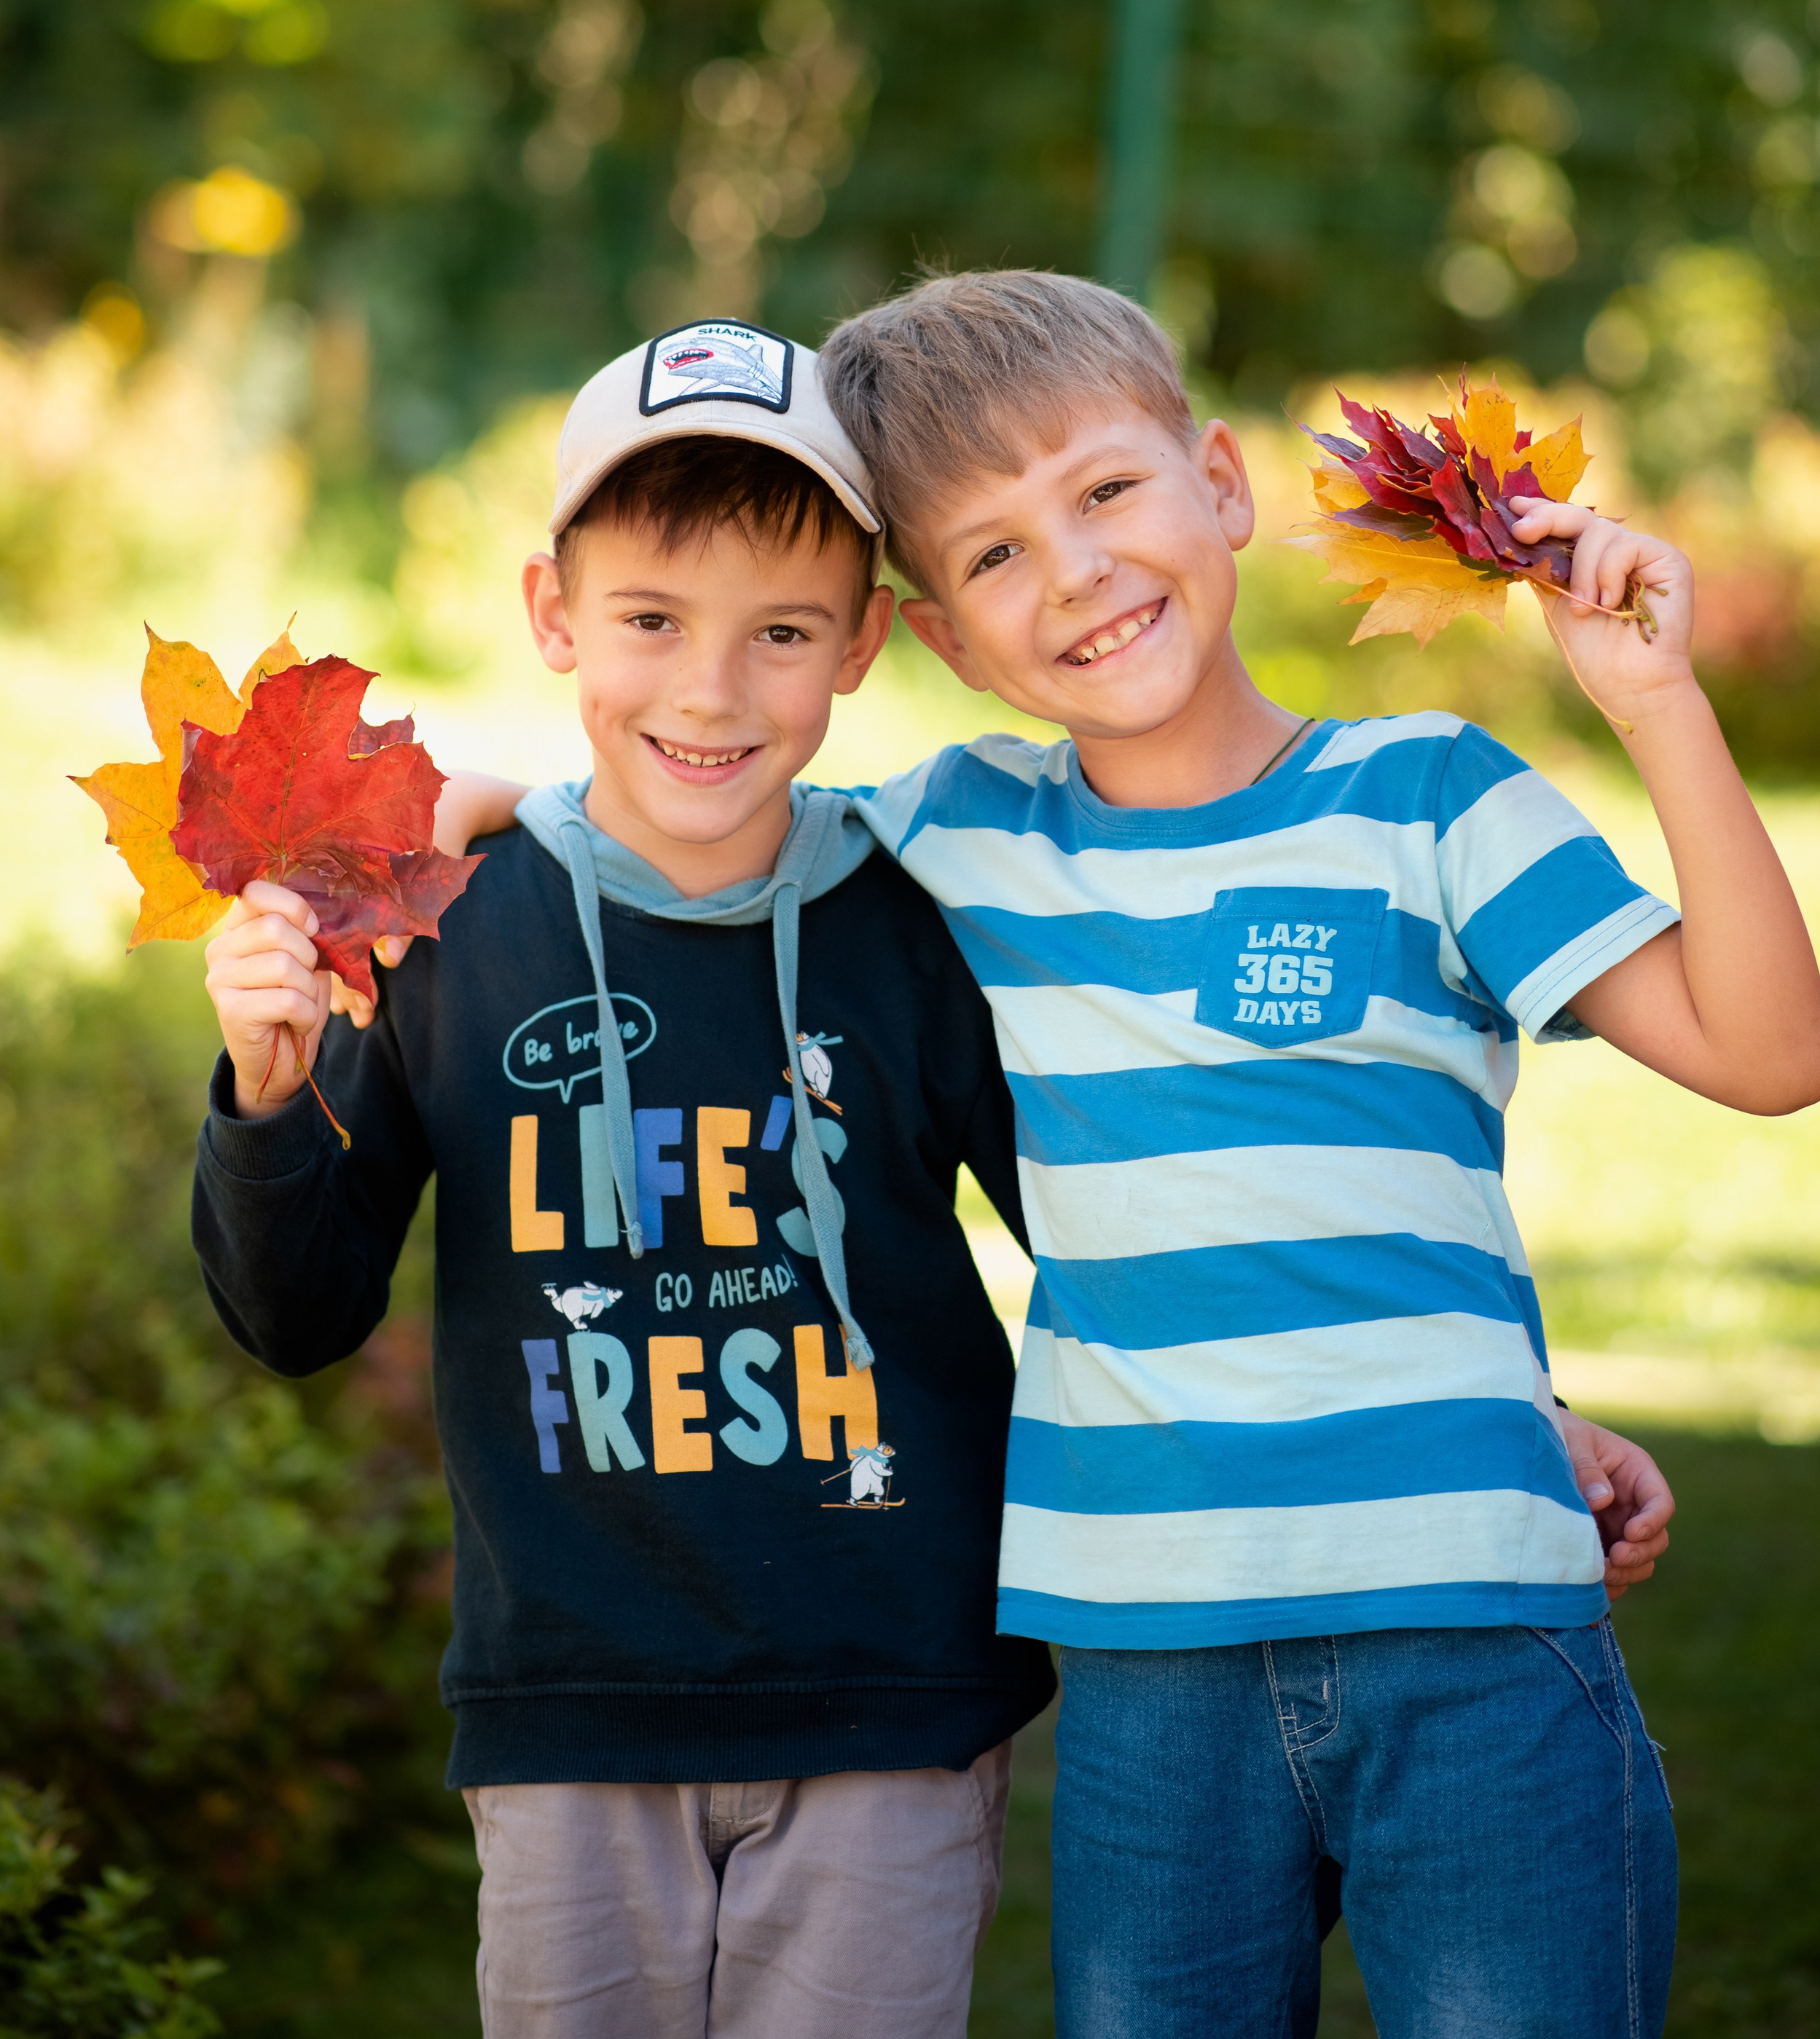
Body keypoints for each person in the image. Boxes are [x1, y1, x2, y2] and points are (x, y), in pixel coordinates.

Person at [418, 291, 1715, 2038]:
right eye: (999, 553)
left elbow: (1756, 1058)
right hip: (1138, 1647)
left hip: (1454, 1614)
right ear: (939, 633)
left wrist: (1651, 699)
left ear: (1221, 481)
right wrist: (480, 810)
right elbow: (688, 802)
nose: (1080, 573)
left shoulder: (1384, 800)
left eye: (1107, 497)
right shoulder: (962, 830)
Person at [192, 323, 1057, 2039]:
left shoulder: (920, 929)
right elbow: (297, 1312)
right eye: (651, 620)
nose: (709, 692)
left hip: (889, 1691)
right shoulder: (448, 927)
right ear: (551, 612)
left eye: (782, 632)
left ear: (864, 642)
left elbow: (1107, 1236)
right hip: (570, 1704)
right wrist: (268, 1090)